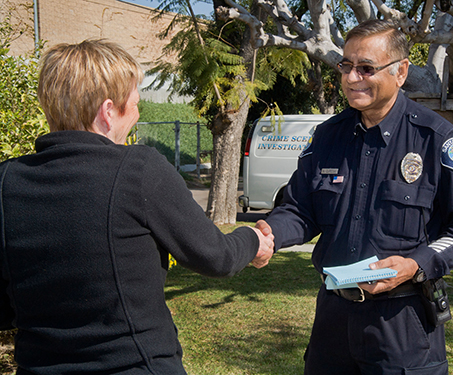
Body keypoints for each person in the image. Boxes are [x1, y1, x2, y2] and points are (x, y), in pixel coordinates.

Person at [0, 39, 274, 374]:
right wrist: (253, 241)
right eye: (135, 102)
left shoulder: (6, 181)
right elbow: (216, 256)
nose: (138, 112)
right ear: (108, 110)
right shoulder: (139, 169)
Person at [256, 19, 453, 374]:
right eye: (346, 66)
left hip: (403, 322)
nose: (352, 78)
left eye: (366, 68)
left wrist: (416, 264)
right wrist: (269, 234)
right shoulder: (326, 137)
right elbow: (299, 210)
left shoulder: (436, 139)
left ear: (400, 72)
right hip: (333, 322)